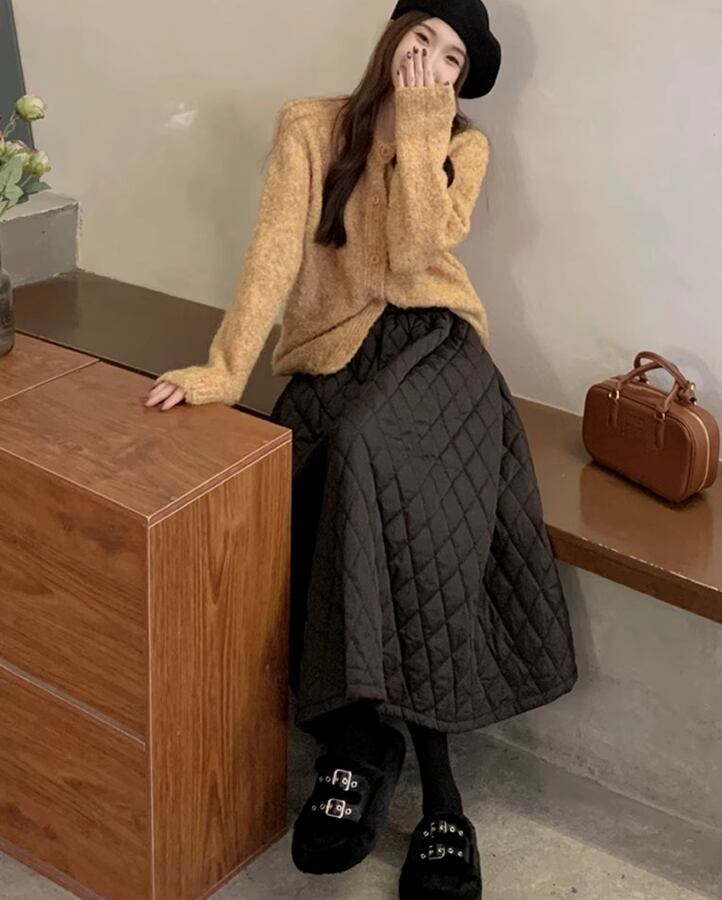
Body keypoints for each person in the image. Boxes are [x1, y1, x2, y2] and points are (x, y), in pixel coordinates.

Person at [145, 2, 577, 897]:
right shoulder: (310, 127)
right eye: (422, 39)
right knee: (312, 468)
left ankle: (438, 794)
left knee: (376, 463)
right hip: (336, 355)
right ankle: (360, 741)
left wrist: (421, 127)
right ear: (391, 37)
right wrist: (225, 369)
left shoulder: (464, 147)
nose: (431, 63)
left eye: (452, 60)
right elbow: (272, 255)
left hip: (439, 350)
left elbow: (418, 253)